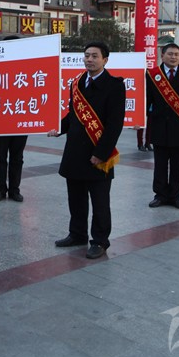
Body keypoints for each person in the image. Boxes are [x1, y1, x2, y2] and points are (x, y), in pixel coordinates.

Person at [48, 41, 125, 259]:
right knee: (76, 198)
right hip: (75, 151)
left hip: (98, 153)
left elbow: (114, 124)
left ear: (105, 60)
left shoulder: (115, 86)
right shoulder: (77, 82)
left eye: (94, 56)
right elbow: (72, 116)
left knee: (100, 201)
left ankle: (100, 241)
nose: (89, 59)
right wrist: (58, 128)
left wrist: (101, 153)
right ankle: (77, 234)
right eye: (87, 55)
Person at [146, 43, 179, 210]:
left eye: (176, 54)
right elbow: (147, 99)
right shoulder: (152, 74)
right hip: (160, 124)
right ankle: (160, 195)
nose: (173, 57)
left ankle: (175, 196)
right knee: (160, 164)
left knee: (178, 164)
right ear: (162, 56)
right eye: (170, 54)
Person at [0, 35, 28, 203]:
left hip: (21, 119)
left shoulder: (26, 68)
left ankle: (14, 190)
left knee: (17, 157)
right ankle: (0, 190)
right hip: (1, 121)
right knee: (0, 157)